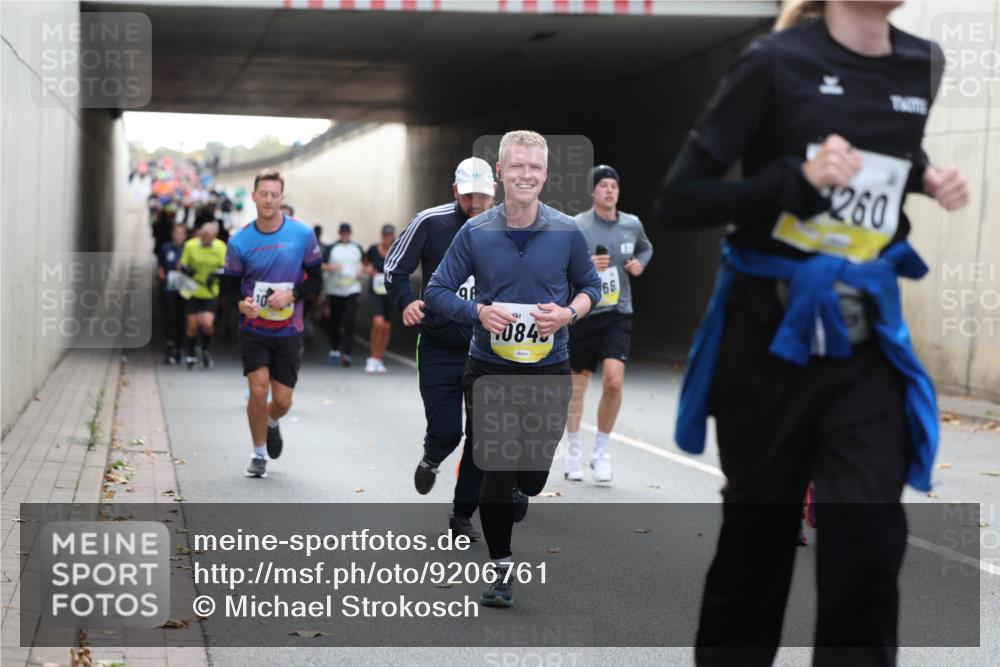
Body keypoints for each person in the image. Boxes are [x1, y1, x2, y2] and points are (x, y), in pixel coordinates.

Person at [656, 1, 969, 663]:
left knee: (868, 544)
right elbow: (681, 198)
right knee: (757, 549)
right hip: (767, 337)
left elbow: (888, 155)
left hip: (864, 341)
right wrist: (792, 180)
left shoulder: (923, 62)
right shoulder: (772, 63)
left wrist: (925, 176)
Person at [424, 131, 601, 607]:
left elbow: (591, 288)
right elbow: (437, 291)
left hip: (549, 368)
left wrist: (569, 313)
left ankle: (526, 484)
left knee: (531, 476)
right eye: (516, 166)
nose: (526, 174)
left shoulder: (566, 230)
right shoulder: (476, 232)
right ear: (500, 172)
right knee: (497, 467)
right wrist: (478, 312)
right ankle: (502, 569)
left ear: (545, 174)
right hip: (489, 368)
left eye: (535, 168)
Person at [385, 157, 496, 540]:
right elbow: (395, 267)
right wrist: (406, 301)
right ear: (455, 192)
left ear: (494, 194)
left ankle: (462, 515)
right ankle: (433, 456)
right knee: (448, 433)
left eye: (483, 196)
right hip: (439, 346)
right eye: (469, 197)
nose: (477, 204)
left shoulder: (507, 227)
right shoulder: (430, 222)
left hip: (487, 351)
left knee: (482, 438)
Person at [224, 170, 323, 479]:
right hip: (254, 329)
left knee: (281, 401)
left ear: (282, 198)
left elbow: (317, 279)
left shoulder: (302, 235)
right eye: (263, 194)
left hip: (288, 330)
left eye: (274, 194)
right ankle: (258, 454)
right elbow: (228, 288)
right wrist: (240, 304)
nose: (268, 199)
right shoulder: (240, 241)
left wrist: (292, 294)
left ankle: (272, 421)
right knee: (258, 388)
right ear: (253, 197)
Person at [564, 165, 653, 483]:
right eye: (602, 185)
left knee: (614, 381)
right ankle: (573, 449)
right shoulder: (578, 225)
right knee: (578, 385)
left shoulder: (631, 224)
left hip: (619, 311)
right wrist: (587, 264)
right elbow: (561, 265)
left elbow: (646, 247)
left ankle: (601, 451)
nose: (609, 190)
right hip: (586, 312)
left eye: (613, 185)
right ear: (592, 191)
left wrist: (639, 264)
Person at [179, 221, 226, 370]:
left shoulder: (220, 247)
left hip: (210, 290)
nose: (205, 239)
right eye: (203, 236)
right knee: (192, 326)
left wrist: (217, 274)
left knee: (207, 323)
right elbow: (181, 264)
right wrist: (187, 270)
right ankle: (192, 353)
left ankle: (205, 349)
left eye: (208, 237)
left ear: (214, 236)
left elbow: (226, 267)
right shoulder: (191, 245)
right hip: (192, 289)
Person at [322, 222, 365, 366]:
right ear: (339, 233)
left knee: (349, 320)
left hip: (352, 289)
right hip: (335, 290)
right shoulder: (332, 248)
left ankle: (347, 353)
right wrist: (331, 267)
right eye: (343, 232)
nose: (345, 235)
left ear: (350, 233)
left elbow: (365, 264)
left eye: (347, 232)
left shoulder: (356, 248)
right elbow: (321, 265)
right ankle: (334, 349)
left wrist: (361, 271)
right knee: (336, 320)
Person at [363, 224, 397, 374]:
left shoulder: (397, 250)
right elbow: (364, 265)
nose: (388, 238)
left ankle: (379, 358)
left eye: (390, 235)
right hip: (376, 290)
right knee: (378, 323)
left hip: (390, 292)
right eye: (386, 235)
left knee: (387, 327)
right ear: (382, 235)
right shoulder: (372, 250)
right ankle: (372, 356)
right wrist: (368, 270)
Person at [157, 224, 188, 364]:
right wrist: (160, 272)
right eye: (176, 233)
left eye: (181, 233)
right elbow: (161, 265)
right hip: (169, 287)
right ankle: (169, 346)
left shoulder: (188, 248)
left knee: (182, 317)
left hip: (183, 286)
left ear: (185, 235)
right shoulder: (165, 248)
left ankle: (179, 347)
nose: (179, 236)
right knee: (170, 316)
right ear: (172, 234)